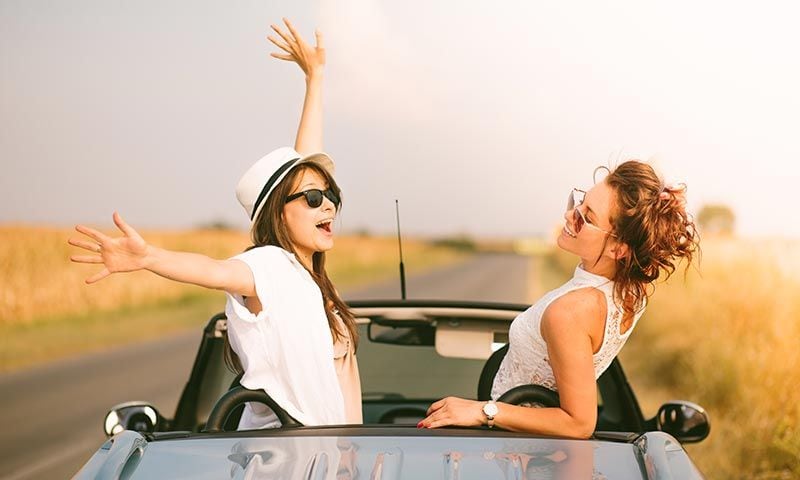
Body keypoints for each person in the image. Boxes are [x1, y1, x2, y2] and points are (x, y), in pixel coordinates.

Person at [69, 19, 362, 429]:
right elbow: (215, 270)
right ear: (279, 213)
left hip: (326, 452)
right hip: (283, 453)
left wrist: (315, 78)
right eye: (314, 199)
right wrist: (149, 257)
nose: (327, 204)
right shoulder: (269, 266)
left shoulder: (309, 280)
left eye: (331, 196)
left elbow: (303, 169)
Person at [419, 163, 699, 438]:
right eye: (579, 202)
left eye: (586, 218)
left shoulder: (569, 313)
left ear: (618, 249)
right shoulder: (630, 292)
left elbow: (579, 423)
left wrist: (484, 412)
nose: (568, 215)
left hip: (519, 447)